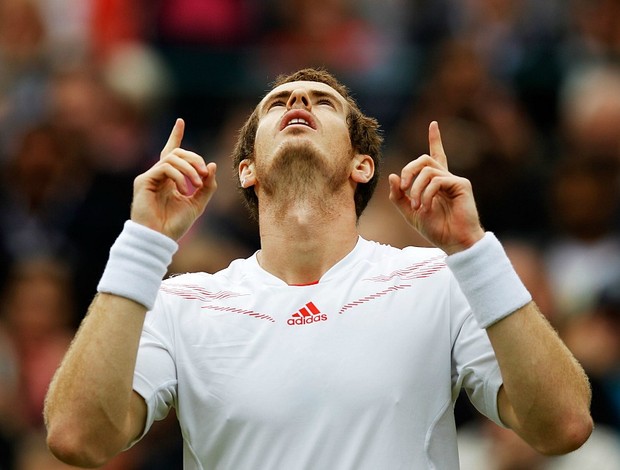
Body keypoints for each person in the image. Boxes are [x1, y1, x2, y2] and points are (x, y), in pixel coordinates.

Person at [43, 68, 592, 469]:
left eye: (322, 101)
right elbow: (76, 437)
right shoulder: (182, 302)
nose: (298, 97)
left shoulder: (439, 279)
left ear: (362, 164)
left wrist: (473, 249)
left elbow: (562, 426)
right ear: (248, 171)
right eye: (277, 101)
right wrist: (143, 243)